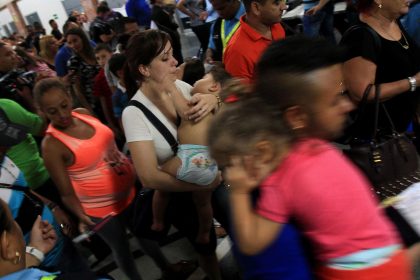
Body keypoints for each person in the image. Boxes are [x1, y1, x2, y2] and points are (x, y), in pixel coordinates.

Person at [211, 35, 420, 279]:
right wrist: (238, 190)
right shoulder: (281, 177)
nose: (348, 105)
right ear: (297, 117)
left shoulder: (307, 145)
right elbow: (251, 242)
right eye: (335, 101)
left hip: (382, 256)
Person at [34, 78, 182, 280]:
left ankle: (167, 268)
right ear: (41, 111)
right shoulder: (51, 146)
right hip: (100, 210)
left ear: (69, 97)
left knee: (145, 234)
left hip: (129, 193)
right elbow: (66, 193)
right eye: (52, 111)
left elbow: (105, 146)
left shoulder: (83, 115)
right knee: (121, 248)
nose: (61, 114)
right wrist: (81, 216)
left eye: (64, 105)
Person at [122, 30, 222, 280]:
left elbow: (209, 119)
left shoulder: (182, 86)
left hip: (211, 175)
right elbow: (149, 177)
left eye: (172, 55)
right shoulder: (134, 113)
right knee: (205, 246)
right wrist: (202, 182)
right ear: (144, 69)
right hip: (180, 191)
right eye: (165, 58)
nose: (175, 61)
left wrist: (214, 99)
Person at [151, 66, 230, 246]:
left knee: (159, 183)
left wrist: (171, 86)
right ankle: (204, 233)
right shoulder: (218, 108)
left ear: (214, 86)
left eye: (203, 77)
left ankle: (157, 221)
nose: (196, 80)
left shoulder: (198, 103)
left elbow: (184, 112)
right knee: (203, 204)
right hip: (209, 165)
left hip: (189, 159)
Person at [339, 0, 420, 140]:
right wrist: (413, 82)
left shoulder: (393, 23)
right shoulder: (360, 36)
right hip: (380, 137)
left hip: (403, 128)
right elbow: (362, 93)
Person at [223, 0, 286, 83]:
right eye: (276, 3)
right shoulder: (237, 51)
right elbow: (239, 94)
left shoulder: (276, 26)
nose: (284, 7)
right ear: (256, 8)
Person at [65, 28, 101, 116]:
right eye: (70, 43)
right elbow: (78, 91)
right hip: (94, 104)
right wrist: (90, 112)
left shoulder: (95, 52)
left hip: (106, 96)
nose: (73, 45)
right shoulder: (74, 62)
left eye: (75, 40)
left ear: (82, 38)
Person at [151, 0, 184, 64]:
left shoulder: (161, 8)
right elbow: (165, 26)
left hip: (173, 40)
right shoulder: (156, 11)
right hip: (171, 41)